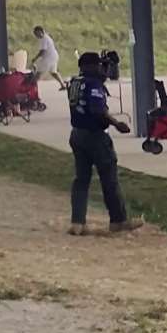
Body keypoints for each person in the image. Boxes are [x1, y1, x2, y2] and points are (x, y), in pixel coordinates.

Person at [67, 51, 142, 235]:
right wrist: (117, 124)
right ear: (90, 67)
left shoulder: (75, 82)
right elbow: (98, 110)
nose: (103, 69)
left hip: (77, 134)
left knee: (81, 180)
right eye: (100, 65)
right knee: (109, 178)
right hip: (95, 135)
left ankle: (78, 222)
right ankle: (118, 220)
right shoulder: (93, 84)